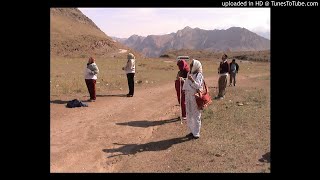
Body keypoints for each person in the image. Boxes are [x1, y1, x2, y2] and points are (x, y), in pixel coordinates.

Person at [182, 59, 204, 139]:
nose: (190, 66)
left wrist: (192, 80)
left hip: (195, 97)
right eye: (190, 65)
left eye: (192, 65)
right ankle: (192, 131)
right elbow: (187, 83)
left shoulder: (199, 75)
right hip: (188, 96)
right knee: (189, 114)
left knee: (196, 115)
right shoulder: (189, 73)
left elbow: (198, 86)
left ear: (196, 66)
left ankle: (196, 133)